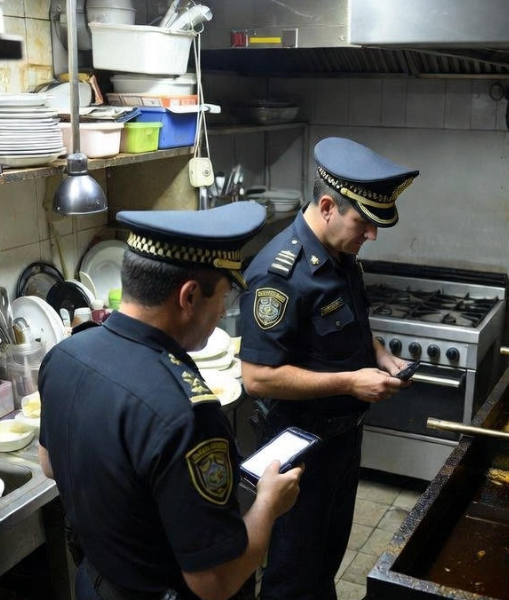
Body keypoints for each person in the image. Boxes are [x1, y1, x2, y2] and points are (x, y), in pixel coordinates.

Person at [38, 202, 303, 600]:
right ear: (190, 296)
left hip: (95, 585)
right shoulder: (185, 413)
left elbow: (49, 464)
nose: (221, 314)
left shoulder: (65, 356)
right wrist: (268, 503)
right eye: (223, 299)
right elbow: (214, 582)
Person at [238, 137, 419, 599]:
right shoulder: (280, 274)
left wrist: (376, 352)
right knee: (293, 572)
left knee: (324, 560)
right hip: (299, 446)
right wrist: (351, 381)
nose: (372, 235)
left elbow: (340, 325)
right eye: (364, 222)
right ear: (326, 206)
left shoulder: (341, 254)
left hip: (342, 438)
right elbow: (257, 377)